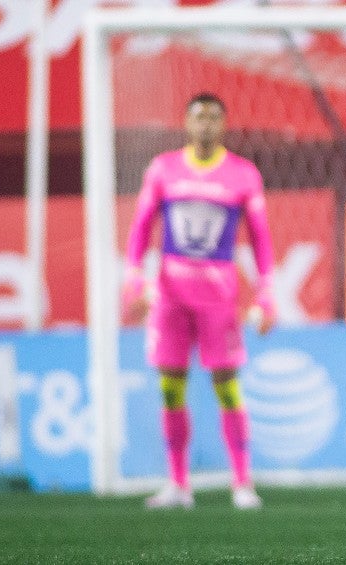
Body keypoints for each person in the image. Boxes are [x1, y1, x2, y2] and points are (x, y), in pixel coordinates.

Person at [122, 92, 277, 510]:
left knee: (226, 386)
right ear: (186, 124)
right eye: (197, 117)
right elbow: (140, 228)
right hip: (170, 294)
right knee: (171, 386)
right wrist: (133, 280)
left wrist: (267, 292)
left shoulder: (242, 175)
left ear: (224, 124)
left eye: (213, 117)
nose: (205, 124)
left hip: (219, 296)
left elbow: (261, 239)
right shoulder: (163, 169)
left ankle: (242, 483)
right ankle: (178, 485)